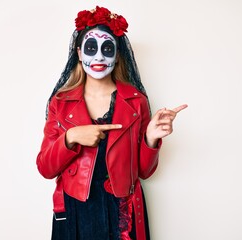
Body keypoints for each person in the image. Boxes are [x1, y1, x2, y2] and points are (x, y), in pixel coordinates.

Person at [36, 6, 187, 240]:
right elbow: (45, 168)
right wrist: (71, 137)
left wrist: (151, 138)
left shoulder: (136, 101)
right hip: (77, 210)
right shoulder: (61, 102)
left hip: (122, 210)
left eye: (107, 49)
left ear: (117, 55)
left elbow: (144, 172)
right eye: (91, 48)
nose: (98, 56)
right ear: (78, 52)